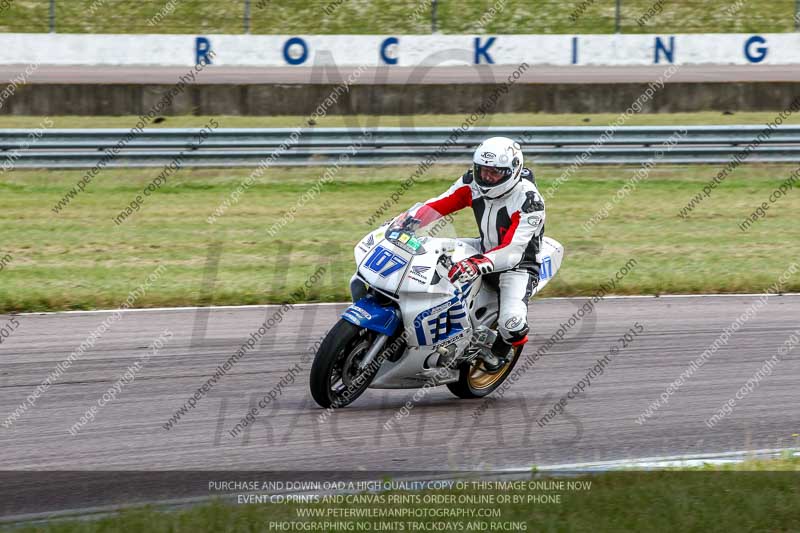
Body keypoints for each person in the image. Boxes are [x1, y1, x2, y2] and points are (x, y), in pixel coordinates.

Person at [414, 136, 546, 372]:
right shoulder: (472, 183)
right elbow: (439, 204)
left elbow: (513, 251)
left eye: (495, 173)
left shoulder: (529, 201)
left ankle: (500, 352)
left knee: (512, 325)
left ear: (513, 171)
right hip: (483, 247)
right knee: (425, 250)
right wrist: (405, 222)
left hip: (517, 266)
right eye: (483, 170)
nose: (487, 178)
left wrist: (476, 265)